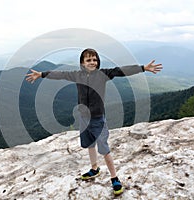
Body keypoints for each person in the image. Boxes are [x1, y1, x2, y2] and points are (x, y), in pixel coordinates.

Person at [25, 48, 162, 195]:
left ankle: (114, 178)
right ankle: (94, 168)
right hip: (84, 118)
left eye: (94, 59)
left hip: (97, 118)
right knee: (90, 144)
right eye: (88, 60)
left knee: (104, 148)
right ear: (82, 63)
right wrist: (41, 74)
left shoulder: (103, 74)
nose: (92, 62)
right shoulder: (77, 75)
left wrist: (142, 68)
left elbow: (121, 71)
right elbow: (60, 74)